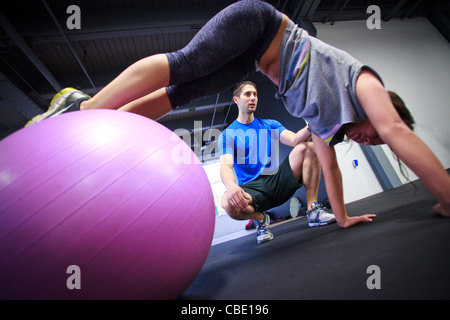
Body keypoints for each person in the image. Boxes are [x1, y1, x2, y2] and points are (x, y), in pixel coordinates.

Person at [27, 0, 450, 224]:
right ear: (379, 113)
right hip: (260, 25)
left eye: (371, 143)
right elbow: (395, 127)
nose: (369, 139)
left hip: (250, 59)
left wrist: (342, 219)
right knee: (186, 63)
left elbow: (330, 169)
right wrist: (446, 197)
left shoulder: (328, 123)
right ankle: (83, 106)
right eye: (373, 136)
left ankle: (112, 122)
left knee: (182, 93)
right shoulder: (363, 81)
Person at [219, 81, 335, 243]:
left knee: (307, 147)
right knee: (227, 203)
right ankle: (261, 219)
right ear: (236, 100)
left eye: (255, 94)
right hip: (251, 190)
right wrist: (230, 186)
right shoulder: (228, 135)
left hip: (276, 180)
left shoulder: (270, 124)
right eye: (247, 94)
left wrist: (312, 125)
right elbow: (226, 165)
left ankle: (313, 210)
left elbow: (295, 139)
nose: (253, 98)